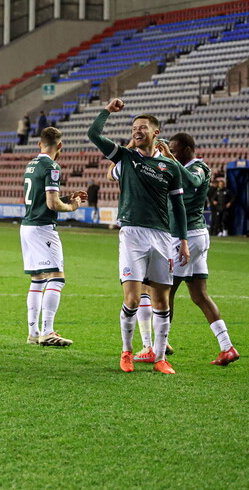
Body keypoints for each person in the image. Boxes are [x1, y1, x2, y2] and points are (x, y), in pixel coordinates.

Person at [87, 98, 190, 375]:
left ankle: (159, 357)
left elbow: (178, 206)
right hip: (132, 234)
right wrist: (107, 111)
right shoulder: (125, 156)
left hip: (162, 236)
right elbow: (93, 135)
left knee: (162, 301)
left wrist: (182, 239)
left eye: (142, 127)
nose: (137, 131)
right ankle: (127, 352)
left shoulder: (170, 167)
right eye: (134, 127)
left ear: (156, 133)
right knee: (132, 299)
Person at [156, 134, 239, 365]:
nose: (171, 153)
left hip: (187, 237)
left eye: (175, 150)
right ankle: (227, 347)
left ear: (188, 149)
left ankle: (159, 346)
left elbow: (193, 182)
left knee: (166, 291)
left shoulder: (199, 167)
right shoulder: (177, 167)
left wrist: (170, 159)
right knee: (199, 296)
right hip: (194, 236)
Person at [21, 126, 86, 347]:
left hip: (27, 226)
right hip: (43, 227)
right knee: (57, 278)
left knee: (37, 279)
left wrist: (66, 197)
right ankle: (47, 331)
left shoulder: (30, 165)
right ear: (60, 146)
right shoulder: (52, 166)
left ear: (39, 144)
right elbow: (51, 204)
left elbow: (42, 198)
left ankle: (33, 333)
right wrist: (73, 206)